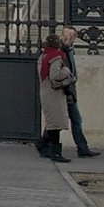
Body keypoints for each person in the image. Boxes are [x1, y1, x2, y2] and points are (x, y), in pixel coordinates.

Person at [61, 26, 99, 159]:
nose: (70, 39)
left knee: (68, 119)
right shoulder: (63, 51)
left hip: (69, 90)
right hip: (65, 90)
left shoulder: (69, 50)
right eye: (68, 36)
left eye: (72, 36)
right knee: (71, 120)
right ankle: (82, 148)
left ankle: (82, 148)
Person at [35, 29, 72, 162]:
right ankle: (55, 152)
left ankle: (43, 145)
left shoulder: (44, 56)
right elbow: (55, 76)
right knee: (55, 124)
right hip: (54, 93)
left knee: (52, 122)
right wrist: (66, 71)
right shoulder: (56, 57)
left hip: (45, 92)